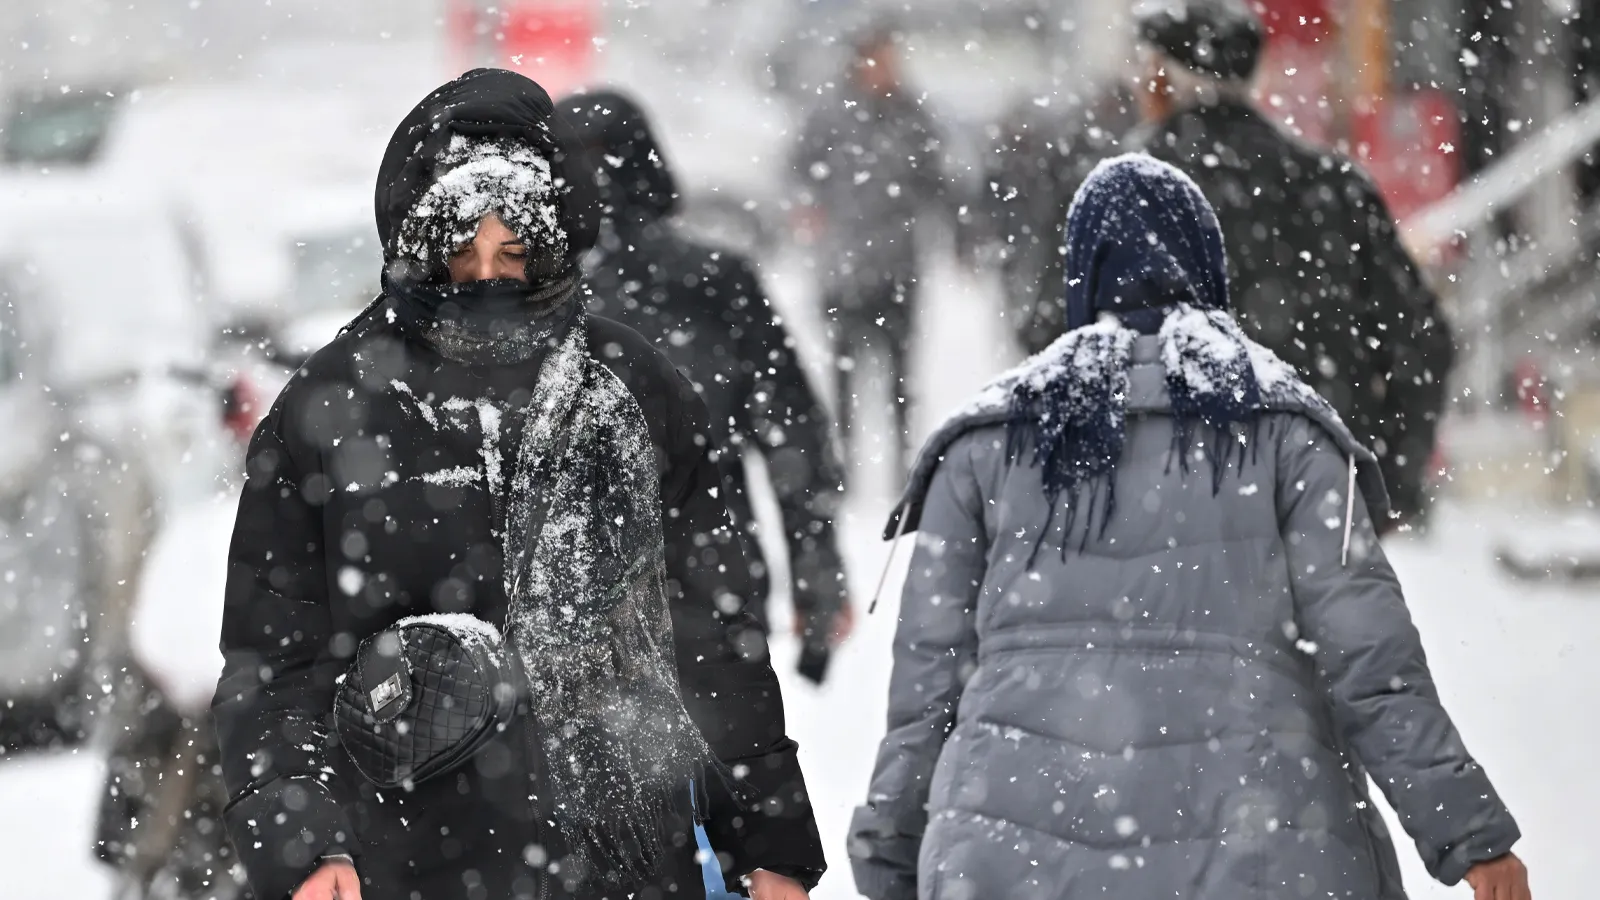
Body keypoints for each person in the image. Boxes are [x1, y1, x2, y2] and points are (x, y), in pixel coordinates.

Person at [212, 68, 824, 900]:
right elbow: (275, 664)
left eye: (515, 254)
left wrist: (770, 842)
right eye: (463, 257)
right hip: (406, 862)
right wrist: (306, 844)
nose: (488, 280)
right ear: (419, 246)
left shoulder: (630, 388)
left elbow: (715, 644)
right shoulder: (333, 405)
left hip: (625, 861)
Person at [847, 155, 1529, 900]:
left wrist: (889, 856)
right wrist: (1470, 834)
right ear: (1208, 268)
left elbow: (925, 694)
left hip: (1012, 860)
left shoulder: (984, 445)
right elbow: (1372, 666)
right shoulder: (1285, 431)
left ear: (1080, 273)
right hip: (1270, 849)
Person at [1124, 0, 1454, 531]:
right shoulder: (1335, 187)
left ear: (1162, 77)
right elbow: (1421, 340)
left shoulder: (1124, 195)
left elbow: (1057, 337)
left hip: (1160, 525)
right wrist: (1385, 486)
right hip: (1310, 506)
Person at [562, 89, 853, 684]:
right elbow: (793, 437)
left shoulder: (531, 299)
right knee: (726, 770)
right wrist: (816, 582)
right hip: (715, 585)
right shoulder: (717, 282)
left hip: (565, 605)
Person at [790, 22, 948, 485]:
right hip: (844, 267)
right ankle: (846, 461)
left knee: (900, 374)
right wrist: (809, 209)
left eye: (891, 58)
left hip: (898, 268)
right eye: (877, 57)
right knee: (845, 372)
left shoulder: (912, 116)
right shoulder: (829, 116)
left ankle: (901, 462)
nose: (885, 68)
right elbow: (799, 171)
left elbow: (936, 181)